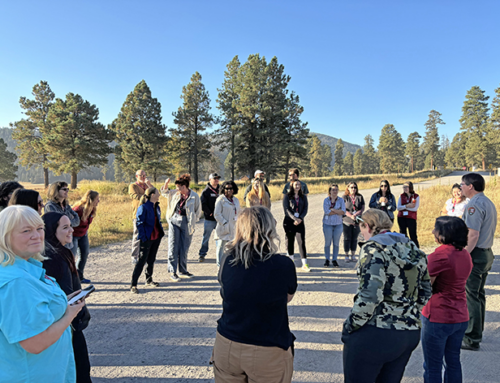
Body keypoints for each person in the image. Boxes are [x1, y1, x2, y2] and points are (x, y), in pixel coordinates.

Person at [342, 209, 431, 383]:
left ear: (367, 226)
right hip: (408, 333)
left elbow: (370, 295)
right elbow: (426, 291)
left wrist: (351, 325)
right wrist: (409, 314)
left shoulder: (373, 249)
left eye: (361, 228)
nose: (362, 233)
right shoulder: (413, 248)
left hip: (376, 331)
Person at [0, 205, 85, 383]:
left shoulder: (28, 268)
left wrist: (64, 304)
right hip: (31, 375)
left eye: (39, 228)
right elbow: (34, 343)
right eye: (26, 230)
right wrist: (69, 315)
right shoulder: (17, 282)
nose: (36, 235)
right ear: (5, 237)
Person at [212, 206, 297, 383]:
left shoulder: (228, 260)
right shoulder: (283, 265)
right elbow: (287, 297)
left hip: (227, 343)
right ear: (269, 229)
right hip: (268, 349)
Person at [42, 212, 93, 383]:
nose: (71, 230)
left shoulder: (62, 252)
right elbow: (60, 297)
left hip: (69, 324)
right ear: (50, 231)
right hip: (66, 327)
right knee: (79, 372)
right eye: (65, 227)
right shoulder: (54, 258)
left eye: (70, 226)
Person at [421, 216, 472, 383]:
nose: (432, 232)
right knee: (453, 362)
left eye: (436, 229)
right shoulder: (464, 254)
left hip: (438, 315)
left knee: (433, 366)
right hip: (460, 314)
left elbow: (426, 285)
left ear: (443, 234)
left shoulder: (439, 255)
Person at [459, 173, 497, 351]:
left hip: (475, 254)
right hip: (486, 252)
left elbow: (472, 235)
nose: (461, 188)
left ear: (470, 186)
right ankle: (477, 330)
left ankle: (472, 337)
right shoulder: (488, 202)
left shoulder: (473, 205)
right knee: (478, 294)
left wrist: (464, 255)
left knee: (471, 295)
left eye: (462, 185)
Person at [161, 174, 201, 282]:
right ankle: (172, 271)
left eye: (181, 187)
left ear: (186, 186)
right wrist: (166, 184)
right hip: (174, 221)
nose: (178, 189)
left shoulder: (194, 196)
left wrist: (193, 220)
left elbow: (198, 211)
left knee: (184, 247)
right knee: (173, 246)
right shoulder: (174, 193)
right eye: (177, 187)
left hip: (187, 222)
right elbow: (164, 193)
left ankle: (183, 270)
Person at [130, 187, 164, 294]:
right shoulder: (143, 207)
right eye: (157, 193)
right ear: (152, 195)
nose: (159, 195)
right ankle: (133, 284)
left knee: (151, 259)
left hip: (156, 237)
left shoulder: (157, 207)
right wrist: (143, 237)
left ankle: (149, 279)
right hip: (147, 238)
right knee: (141, 261)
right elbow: (139, 223)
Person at [72, 191, 100, 283]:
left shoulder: (92, 209)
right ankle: (71, 278)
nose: (98, 201)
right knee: (72, 256)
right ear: (91, 200)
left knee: (85, 254)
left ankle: (79, 276)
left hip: (83, 234)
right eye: (97, 199)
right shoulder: (78, 209)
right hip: (73, 235)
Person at [283, 180, 310, 271]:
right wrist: (294, 219)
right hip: (289, 221)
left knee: (301, 241)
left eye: (299, 184)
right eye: (296, 184)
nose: (298, 186)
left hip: (300, 221)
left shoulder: (303, 197)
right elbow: (286, 209)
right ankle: (291, 262)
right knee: (290, 241)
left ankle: (305, 264)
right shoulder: (287, 196)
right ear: (292, 186)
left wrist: (300, 218)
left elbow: (305, 208)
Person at [214, 180, 241, 267]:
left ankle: (229, 266)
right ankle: (219, 266)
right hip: (223, 227)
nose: (229, 190)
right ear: (223, 189)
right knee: (221, 248)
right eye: (227, 188)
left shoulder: (236, 200)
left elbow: (238, 212)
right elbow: (217, 214)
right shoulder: (220, 200)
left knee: (232, 248)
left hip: (234, 227)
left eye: (231, 188)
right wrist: (225, 223)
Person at [129, 170, 152, 264]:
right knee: (137, 235)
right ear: (136, 176)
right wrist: (147, 196)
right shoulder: (133, 186)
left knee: (148, 236)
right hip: (138, 214)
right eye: (141, 175)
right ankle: (134, 256)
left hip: (149, 214)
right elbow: (135, 196)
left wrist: (149, 185)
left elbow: (155, 193)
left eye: (144, 175)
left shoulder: (147, 186)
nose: (143, 177)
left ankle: (145, 255)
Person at [198, 173, 221, 263]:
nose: (216, 180)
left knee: (220, 237)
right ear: (210, 180)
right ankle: (202, 254)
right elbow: (202, 204)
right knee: (206, 237)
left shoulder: (221, 190)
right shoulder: (206, 191)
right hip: (209, 219)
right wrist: (210, 213)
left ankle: (220, 255)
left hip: (220, 219)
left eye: (218, 178)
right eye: (214, 178)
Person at [323, 184, 346, 267]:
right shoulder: (326, 200)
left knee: (336, 243)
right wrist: (337, 211)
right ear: (330, 191)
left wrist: (333, 210)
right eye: (333, 190)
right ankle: (327, 259)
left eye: (336, 190)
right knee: (327, 243)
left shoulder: (341, 200)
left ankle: (334, 259)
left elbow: (343, 212)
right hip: (327, 224)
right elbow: (327, 212)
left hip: (338, 224)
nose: (335, 191)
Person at [342, 182, 365, 262]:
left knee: (355, 238)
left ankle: (353, 255)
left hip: (357, 221)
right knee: (347, 238)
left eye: (355, 187)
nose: (353, 189)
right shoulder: (344, 197)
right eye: (351, 187)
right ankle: (346, 255)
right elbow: (343, 209)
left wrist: (356, 214)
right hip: (347, 221)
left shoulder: (359, 197)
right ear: (348, 188)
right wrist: (350, 215)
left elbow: (362, 208)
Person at [397, 181, 420, 248]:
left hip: (411, 218)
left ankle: (416, 250)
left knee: (413, 235)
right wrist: (407, 206)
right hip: (401, 217)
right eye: (404, 187)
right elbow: (398, 208)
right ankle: (404, 249)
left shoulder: (416, 196)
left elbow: (415, 208)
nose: (405, 188)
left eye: (407, 187)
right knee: (403, 235)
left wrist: (403, 207)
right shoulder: (401, 196)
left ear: (410, 187)